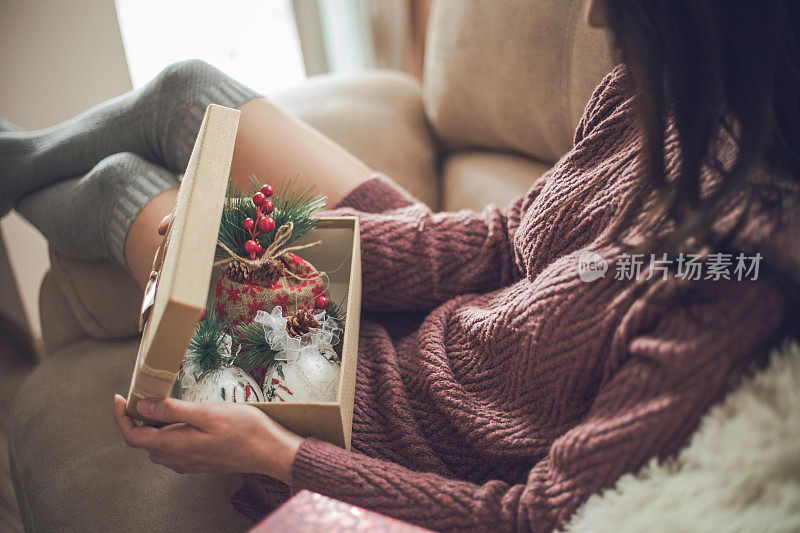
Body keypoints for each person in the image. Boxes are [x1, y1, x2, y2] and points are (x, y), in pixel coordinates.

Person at [2, 0, 798, 531]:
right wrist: (288, 244)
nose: (588, 13)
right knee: (189, 92)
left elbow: (535, 513)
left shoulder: (736, 281)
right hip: (451, 305)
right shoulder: (660, 96)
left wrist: (277, 454)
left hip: (378, 416)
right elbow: (505, 240)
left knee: (123, 190)